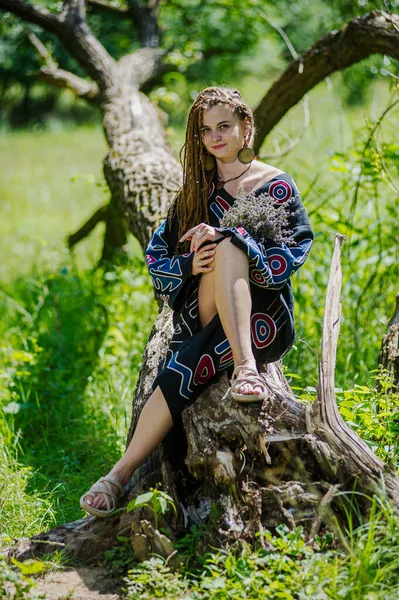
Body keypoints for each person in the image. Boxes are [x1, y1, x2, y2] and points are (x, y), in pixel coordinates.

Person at [80, 86, 313, 517]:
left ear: (247, 127)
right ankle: (243, 371)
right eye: (206, 130)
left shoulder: (276, 186)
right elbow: (157, 258)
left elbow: (291, 255)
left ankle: (119, 473)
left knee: (225, 256)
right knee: (219, 252)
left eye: (224, 126)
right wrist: (190, 263)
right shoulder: (196, 190)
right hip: (203, 308)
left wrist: (232, 240)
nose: (215, 137)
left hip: (263, 317)